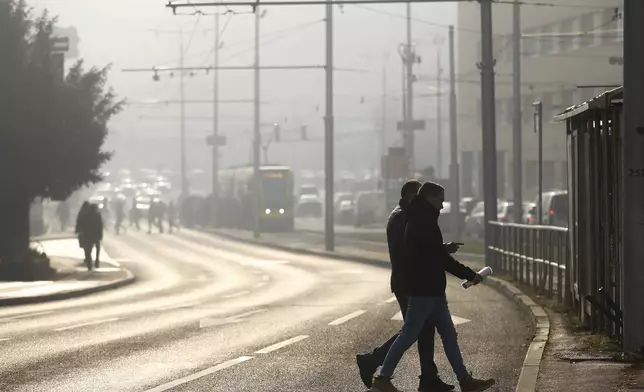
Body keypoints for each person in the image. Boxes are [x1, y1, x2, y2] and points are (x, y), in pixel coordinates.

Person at [370, 182, 495, 392]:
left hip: (433, 289)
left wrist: (464, 271)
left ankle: (464, 380)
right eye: (440, 200)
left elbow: (435, 253)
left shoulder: (422, 218)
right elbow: (440, 258)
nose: (442, 205)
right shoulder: (422, 221)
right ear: (429, 198)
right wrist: (470, 274)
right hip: (424, 289)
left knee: (448, 334)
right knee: (409, 334)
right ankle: (382, 378)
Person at [356, 180, 455, 392]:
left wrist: (441, 249)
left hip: (409, 280)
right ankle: (374, 361)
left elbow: (419, 247)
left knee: (421, 329)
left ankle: (428, 377)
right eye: (418, 194)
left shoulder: (404, 214)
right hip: (408, 282)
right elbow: (412, 250)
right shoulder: (403, 217)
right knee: (414, 330)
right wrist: (440, 252)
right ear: (410, 194)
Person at [76, 202, 104, 270]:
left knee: (88, 249)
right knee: (97, 248)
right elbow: (100, 225)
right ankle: (96, 260)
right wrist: (100, 235)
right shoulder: (97, 215)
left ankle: (89, 262)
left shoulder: (86, 215)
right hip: (95, 234)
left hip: (88, 235)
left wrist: (80, 232)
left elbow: (82, 224)